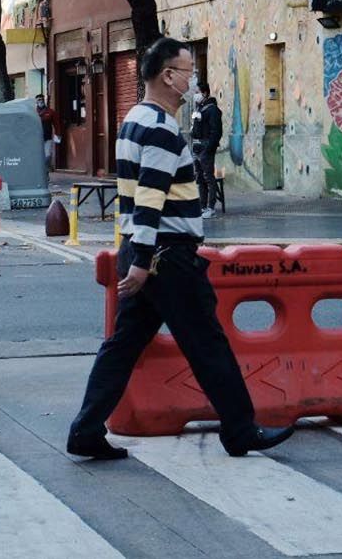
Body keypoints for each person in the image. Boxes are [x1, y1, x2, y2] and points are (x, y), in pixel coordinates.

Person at [66, 37, 294, 461]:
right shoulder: (161, 128)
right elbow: (150, 196)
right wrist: (141, 262)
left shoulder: (133, 119)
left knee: (123, 346)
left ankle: (85, 430)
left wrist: (131, 253)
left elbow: (129, 199)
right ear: (169, 76)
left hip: (145, 250)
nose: (193, 80)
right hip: (166, 256)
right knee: (207, 342)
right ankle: (240, 429)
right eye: (189, 71)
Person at [189, 80, 222, 218]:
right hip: (197, 147)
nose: (195, 95)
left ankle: (211, 208)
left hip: (205, 148)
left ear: (205, 93)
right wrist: (194, 126)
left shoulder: (212, 109)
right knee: (200, 178)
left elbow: (217, 132)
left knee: (209, 178)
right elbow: (195, 131)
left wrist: (208, 149)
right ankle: (202, 206)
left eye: (197, 93)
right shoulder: (199, 109)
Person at [36, 93, 60, 171]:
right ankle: (39, 169)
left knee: (48, 154)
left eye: (42, 99)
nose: (41, 101)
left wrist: (58, 134)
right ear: (36, 101)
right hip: (36, 138)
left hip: (47, 137)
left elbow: (56, 124)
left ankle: (47, 168)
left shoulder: (50, 112)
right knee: (38, 154)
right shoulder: (33, 112)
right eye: (39, 100)